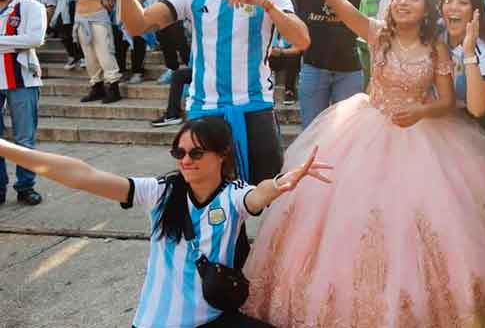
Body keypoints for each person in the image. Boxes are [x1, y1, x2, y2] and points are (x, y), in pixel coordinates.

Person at [241, 0, 485, 327]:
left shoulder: (437, 46)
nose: (404, 4)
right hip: (365, 130)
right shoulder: (377, 36)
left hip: (425, 138)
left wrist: (421, 112)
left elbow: (447, 100)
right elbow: (338, 2)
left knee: (424, 228)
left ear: (427, 8)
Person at [0, 116, 330, 327]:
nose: (186, 160)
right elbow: (82, 175)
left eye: (196, 153)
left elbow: (257, 196)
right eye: (179, 153)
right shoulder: (158, 192)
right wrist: (6, 148)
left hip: (213, 319)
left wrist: (280, 183)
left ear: (223, 154)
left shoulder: (233, 195)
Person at [106, 0, 310, 186]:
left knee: (266, 196)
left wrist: (264, 4)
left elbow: (301, 39)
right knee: (208, 197)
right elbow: (136, 25)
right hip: (205, 112)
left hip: (255, 110)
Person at [35, 0, 122, 104]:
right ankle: (97, 85)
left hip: (98, 16)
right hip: (81, 18)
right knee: (89, 55)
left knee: (104, 52)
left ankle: (113, 86)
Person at [0, 0, 45, 206]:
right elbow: (23, 40)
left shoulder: (30, 6)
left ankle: (26, 186)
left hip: (23, 79)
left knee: (24, 138)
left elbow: (35, 39)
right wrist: (14, 42)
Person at [440, 0, 485, 117]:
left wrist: (469, 52)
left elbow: (478, 109)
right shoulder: (435, 34)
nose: (453, 7)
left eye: (463, 2)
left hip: (464, 127)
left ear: (475, 11)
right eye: (448, 1)